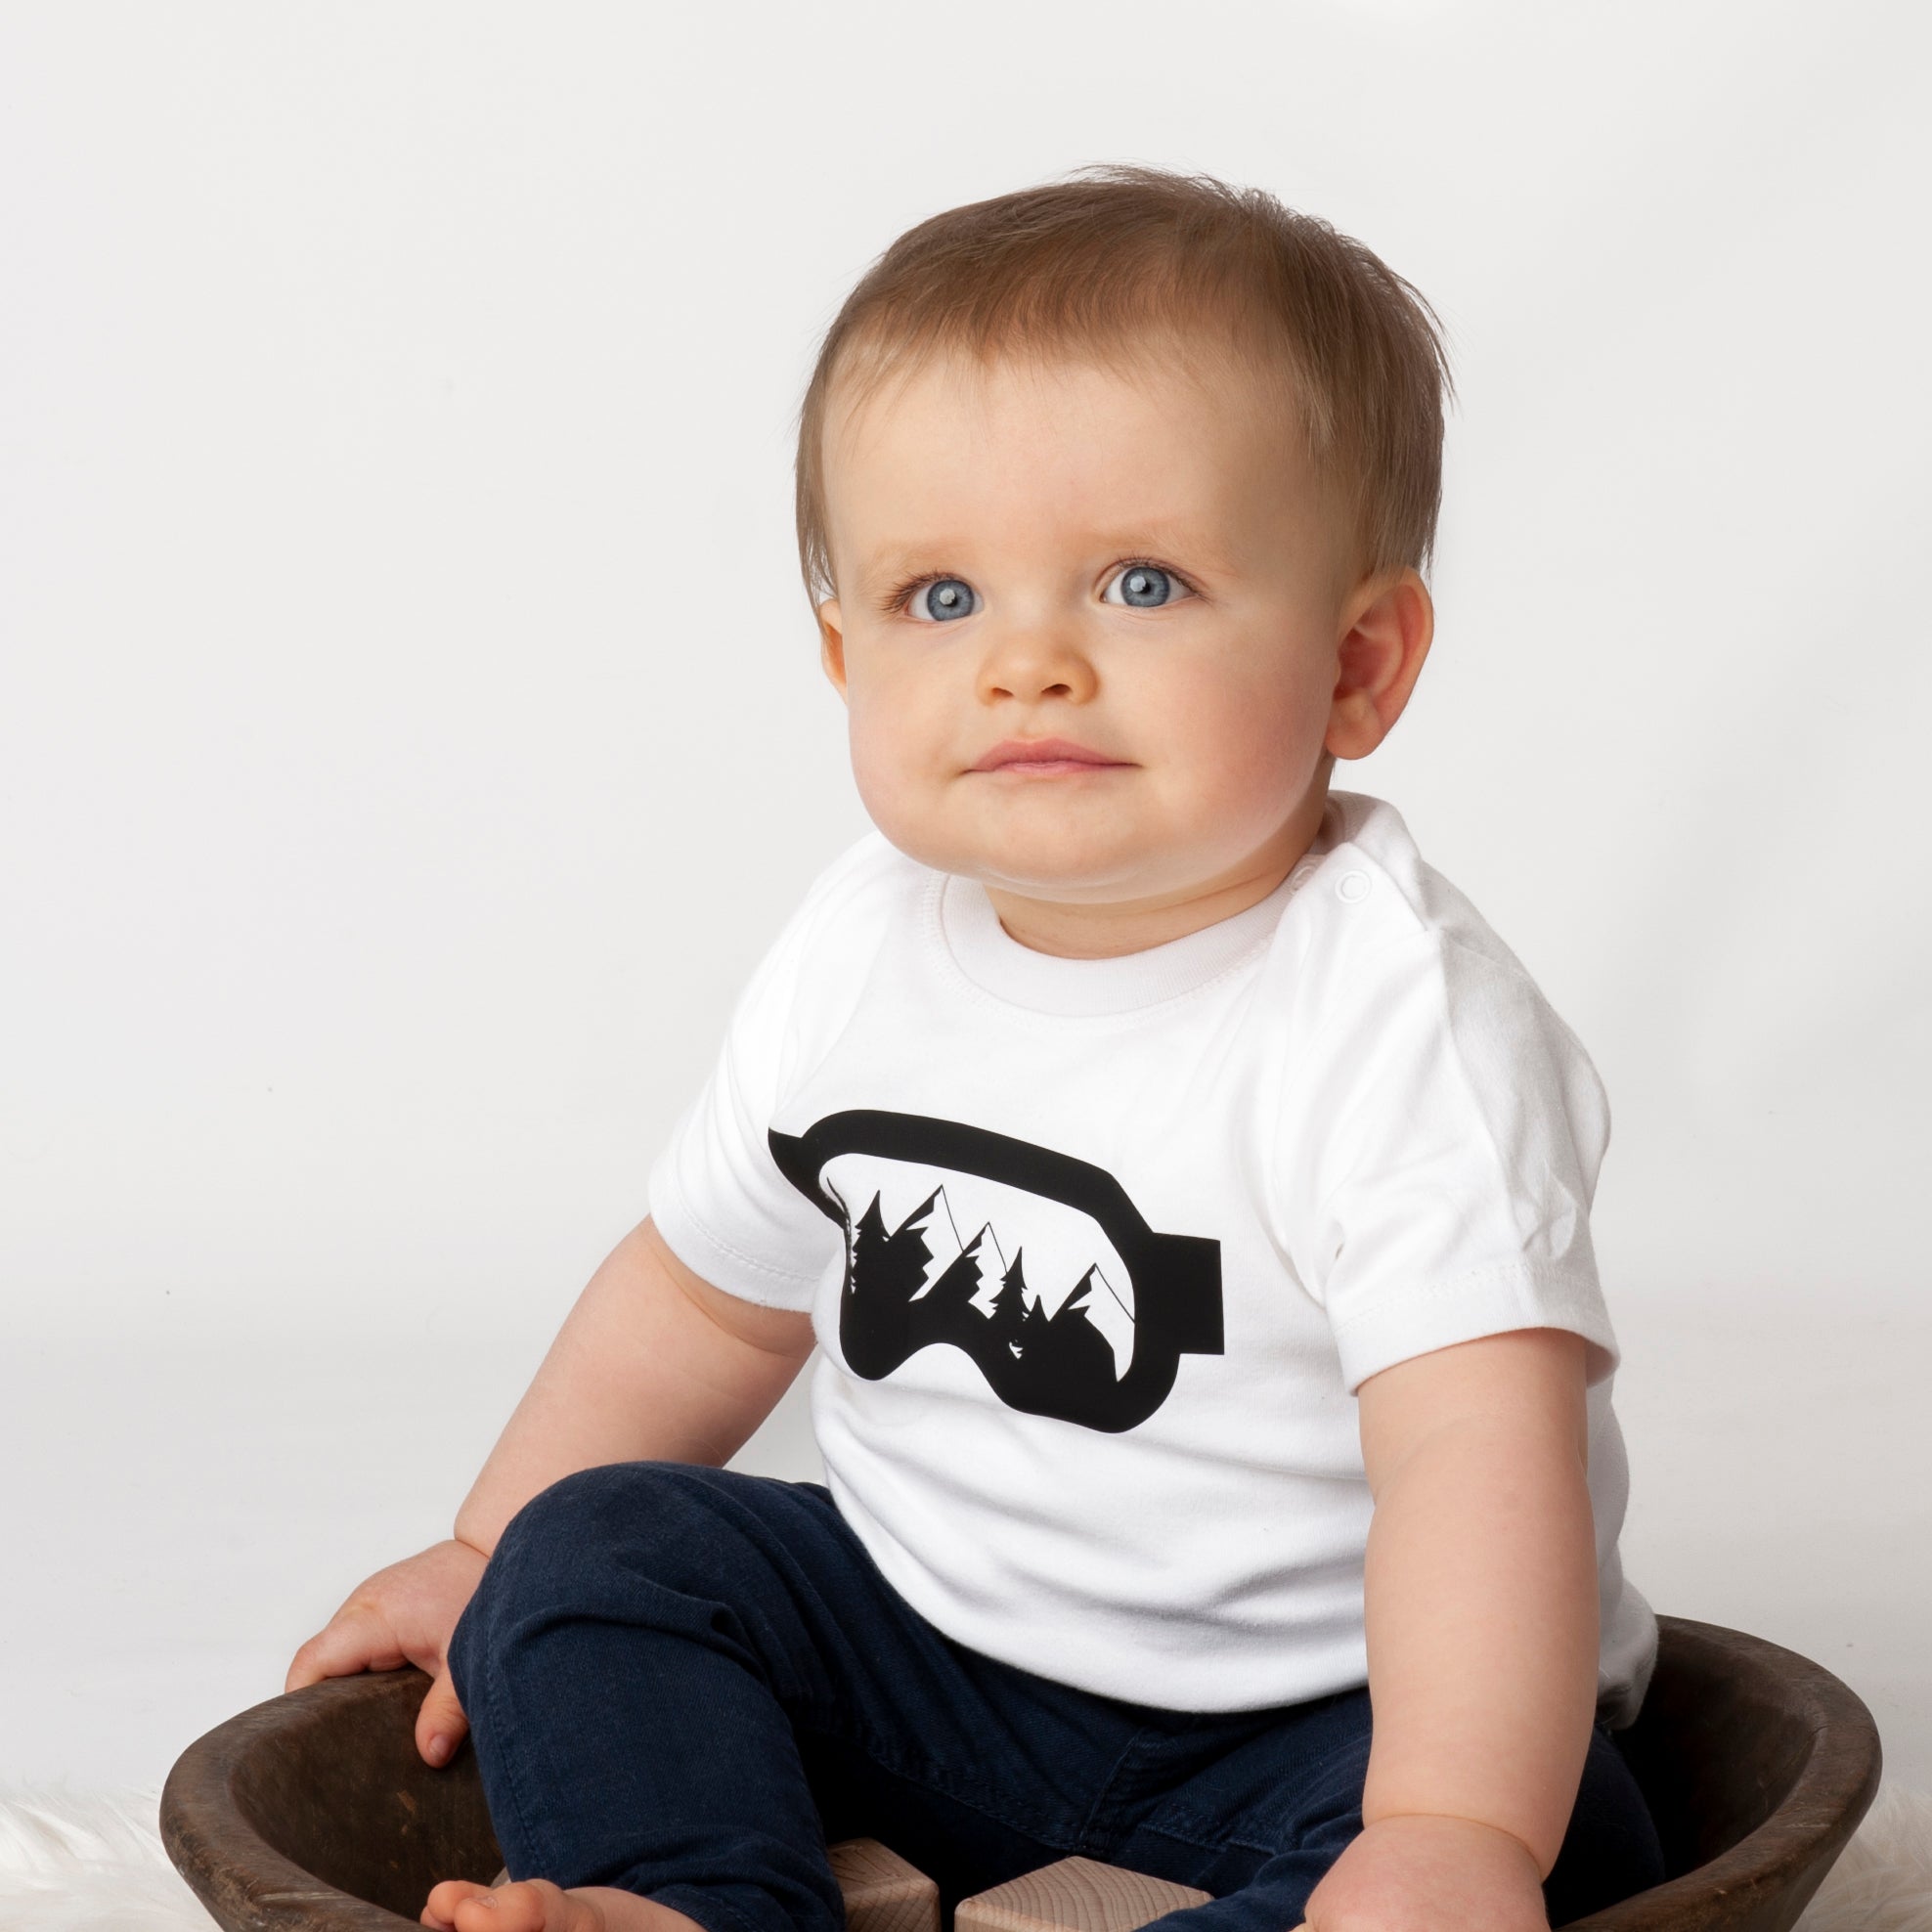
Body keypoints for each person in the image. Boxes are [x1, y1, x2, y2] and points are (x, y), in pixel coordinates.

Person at [286, 167, 1668, 1932]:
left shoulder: (1399, 1022)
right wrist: (486, 1552)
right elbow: (709, 1295)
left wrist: (1454, 1828)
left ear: (1357, 664)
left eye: (1142, 583)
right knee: (602, 1550)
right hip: (938, 1652)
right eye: (942, 601)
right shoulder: (860, 948)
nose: (1029, 665)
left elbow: (1480, 1459)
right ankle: (692, 1900)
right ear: (839, 650)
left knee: (1556, 1848)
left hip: (1333, 1727)